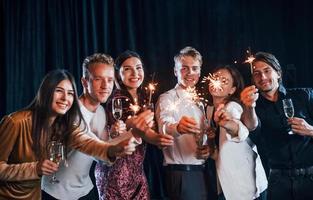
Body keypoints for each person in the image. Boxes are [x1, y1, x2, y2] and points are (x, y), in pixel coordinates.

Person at [0, 69, 136, 199]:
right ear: (46, 92)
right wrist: (34, 168)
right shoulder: (15, 122)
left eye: (71, 93)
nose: (65, 98)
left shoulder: (65, 126)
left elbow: (88, 144)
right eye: (59, 91)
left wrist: (112, 149)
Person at [96, 50, 173, 200]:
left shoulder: (144, 98)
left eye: (138, 68)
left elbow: (150, 127)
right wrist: (157, 139)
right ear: (118, 74)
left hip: (136, 173)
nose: (135, 73)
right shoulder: (117, 99)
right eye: (127, 69)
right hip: (115, 172)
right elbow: (139, 129)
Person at [41, 54, 117, 199]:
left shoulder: (101, 112)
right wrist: (135, 133)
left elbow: (104, 156)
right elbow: (99, 151)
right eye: (98, 79)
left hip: (85, 191)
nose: (105, 86)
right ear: (84, 82)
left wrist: (114, 135)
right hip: (55, 192)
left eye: (110, 80)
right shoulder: (70, 111)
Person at [240, 51, 313, 200]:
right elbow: (251, 128)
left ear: (278, 73)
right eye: (257, 74)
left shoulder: (305, 95)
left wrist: (311, 130)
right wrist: (248, 106)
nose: (263, 77)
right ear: (253, 79)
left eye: (267, 71)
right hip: (278, 183)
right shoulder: (253, 108)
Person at [155, 46, 211, 200]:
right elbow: (163, 127)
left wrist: (207, 151)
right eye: (184, 68)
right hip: (181, 175)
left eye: (194, 68)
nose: (191, 73)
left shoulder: (200, 102)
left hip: (202, 173)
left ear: (200, 72)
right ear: (175, 71)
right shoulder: (167, 98)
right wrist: (178, 127)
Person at [205, 65, 267, 200]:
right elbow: (215, 154)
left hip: (246, 185)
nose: (218, 82)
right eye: (215, 78)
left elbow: (241, 131)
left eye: (224, 81)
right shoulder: (209, 111)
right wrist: (209, 141)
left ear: (232, 90)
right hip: (226, 184)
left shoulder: (233, 107)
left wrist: (227, 124)